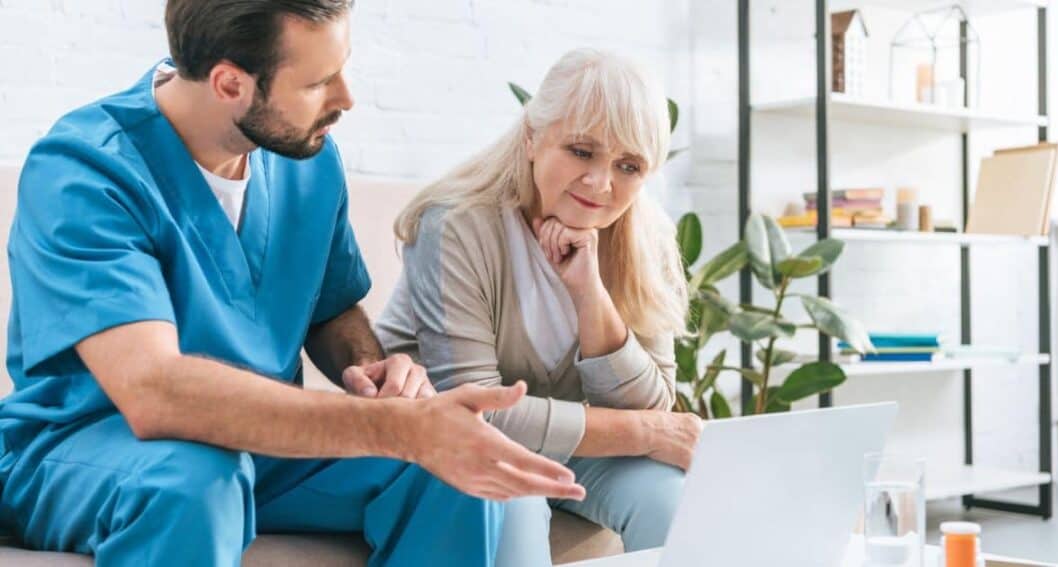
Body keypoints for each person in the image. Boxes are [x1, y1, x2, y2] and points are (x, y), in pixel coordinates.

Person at [0, 2, 584, 565]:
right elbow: (155, 393)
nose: (346, 98)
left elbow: (329, 308)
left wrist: (372, 371)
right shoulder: (84, 172)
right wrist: (396, 429)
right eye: (317, 83)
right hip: (86, 449)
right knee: (194, 481)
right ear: (230, 84)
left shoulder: (306, 156)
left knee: (448, 468)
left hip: (259, 447)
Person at [376, 48, 703, 567]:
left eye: (628, 166)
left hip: (580, 451)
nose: (601, 183)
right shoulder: (455, 224)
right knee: (513, 497)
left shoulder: (649, 236)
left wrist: (589, 294)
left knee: (675, 500)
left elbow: (654, 403)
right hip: (454, 445)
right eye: (580, 151)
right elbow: (477, 410)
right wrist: (642, 433)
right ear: (532, 137)